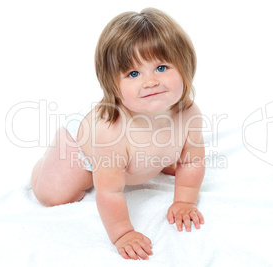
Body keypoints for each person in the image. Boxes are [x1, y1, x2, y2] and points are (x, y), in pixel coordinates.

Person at [31, 7, 205, 261]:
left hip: (138, 149)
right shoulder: (110, 132)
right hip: (80, 144)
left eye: (162, 67)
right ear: (112, 84)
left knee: (173, 162)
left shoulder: (189, 113)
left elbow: (191, 160)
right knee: (53, 196)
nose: (150, 82)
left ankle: (151, 157)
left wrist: (184, 201)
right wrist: (123, 233)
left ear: (185, 65)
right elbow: (110, 192)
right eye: (133, 73)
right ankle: (48, 161)